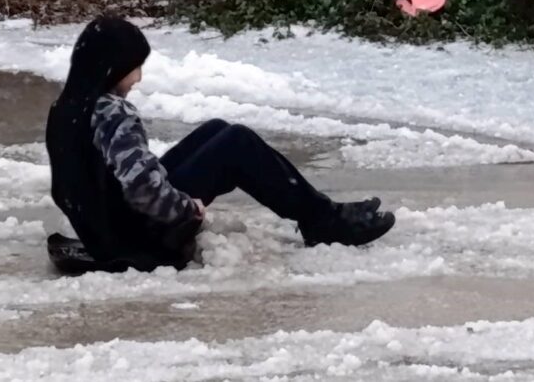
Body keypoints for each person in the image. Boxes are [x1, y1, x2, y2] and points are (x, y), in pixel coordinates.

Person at [45, 15, 395, 271]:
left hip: (108, 228)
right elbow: (141, 191)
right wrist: (186, 208)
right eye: (133, 67)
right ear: (109, 68)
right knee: (236, 143)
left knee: (218, 129)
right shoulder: (110, 113)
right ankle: (323, 220)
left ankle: (317, 213)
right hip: (139, 237)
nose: (138, 77)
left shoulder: (67, 108)